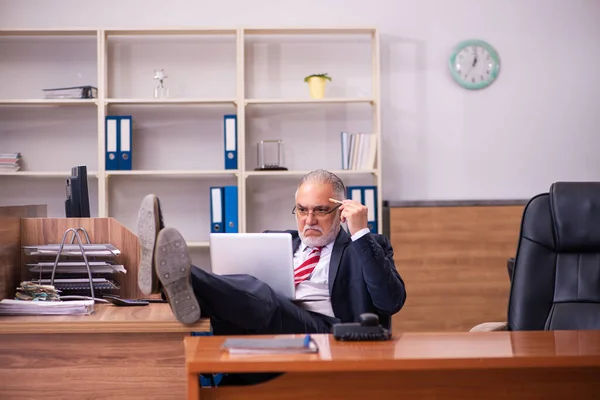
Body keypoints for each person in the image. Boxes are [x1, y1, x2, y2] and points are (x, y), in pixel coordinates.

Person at [137, 168, 406, 336]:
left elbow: (390, 302)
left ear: (341, 210)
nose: (309, 219)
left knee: (265, 295)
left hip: (325, 332)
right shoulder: (276, 241)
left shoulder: (366, 247)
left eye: (320, 210)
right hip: (263, 321)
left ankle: (176, 274)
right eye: (302, 209)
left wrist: (360, 233)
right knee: (249, 292)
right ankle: (175, 281)